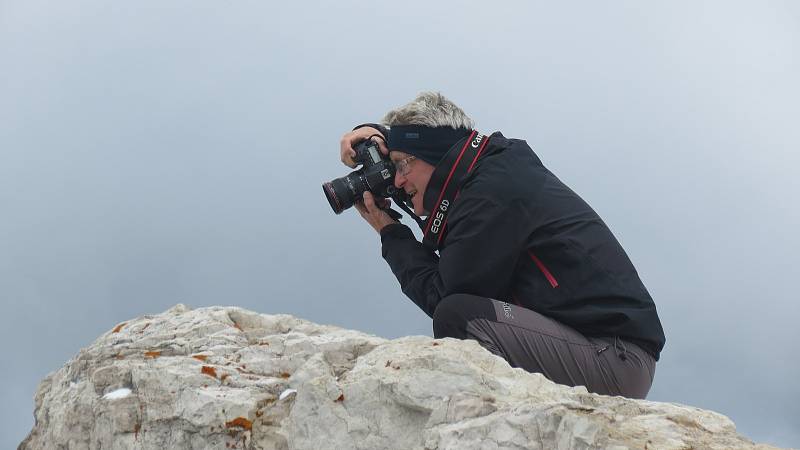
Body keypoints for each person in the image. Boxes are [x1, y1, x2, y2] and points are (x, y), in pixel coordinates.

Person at [340, 92, 665, 399]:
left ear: (433, 154)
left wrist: (390, 232)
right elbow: (429, 140)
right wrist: (379, 136)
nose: (397, 181)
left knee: (460, 316)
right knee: (463, 314)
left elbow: (442, 295)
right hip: (592, 346)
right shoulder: (490, 171)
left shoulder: (490, 195)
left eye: (401, 165)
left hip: (610, 356)